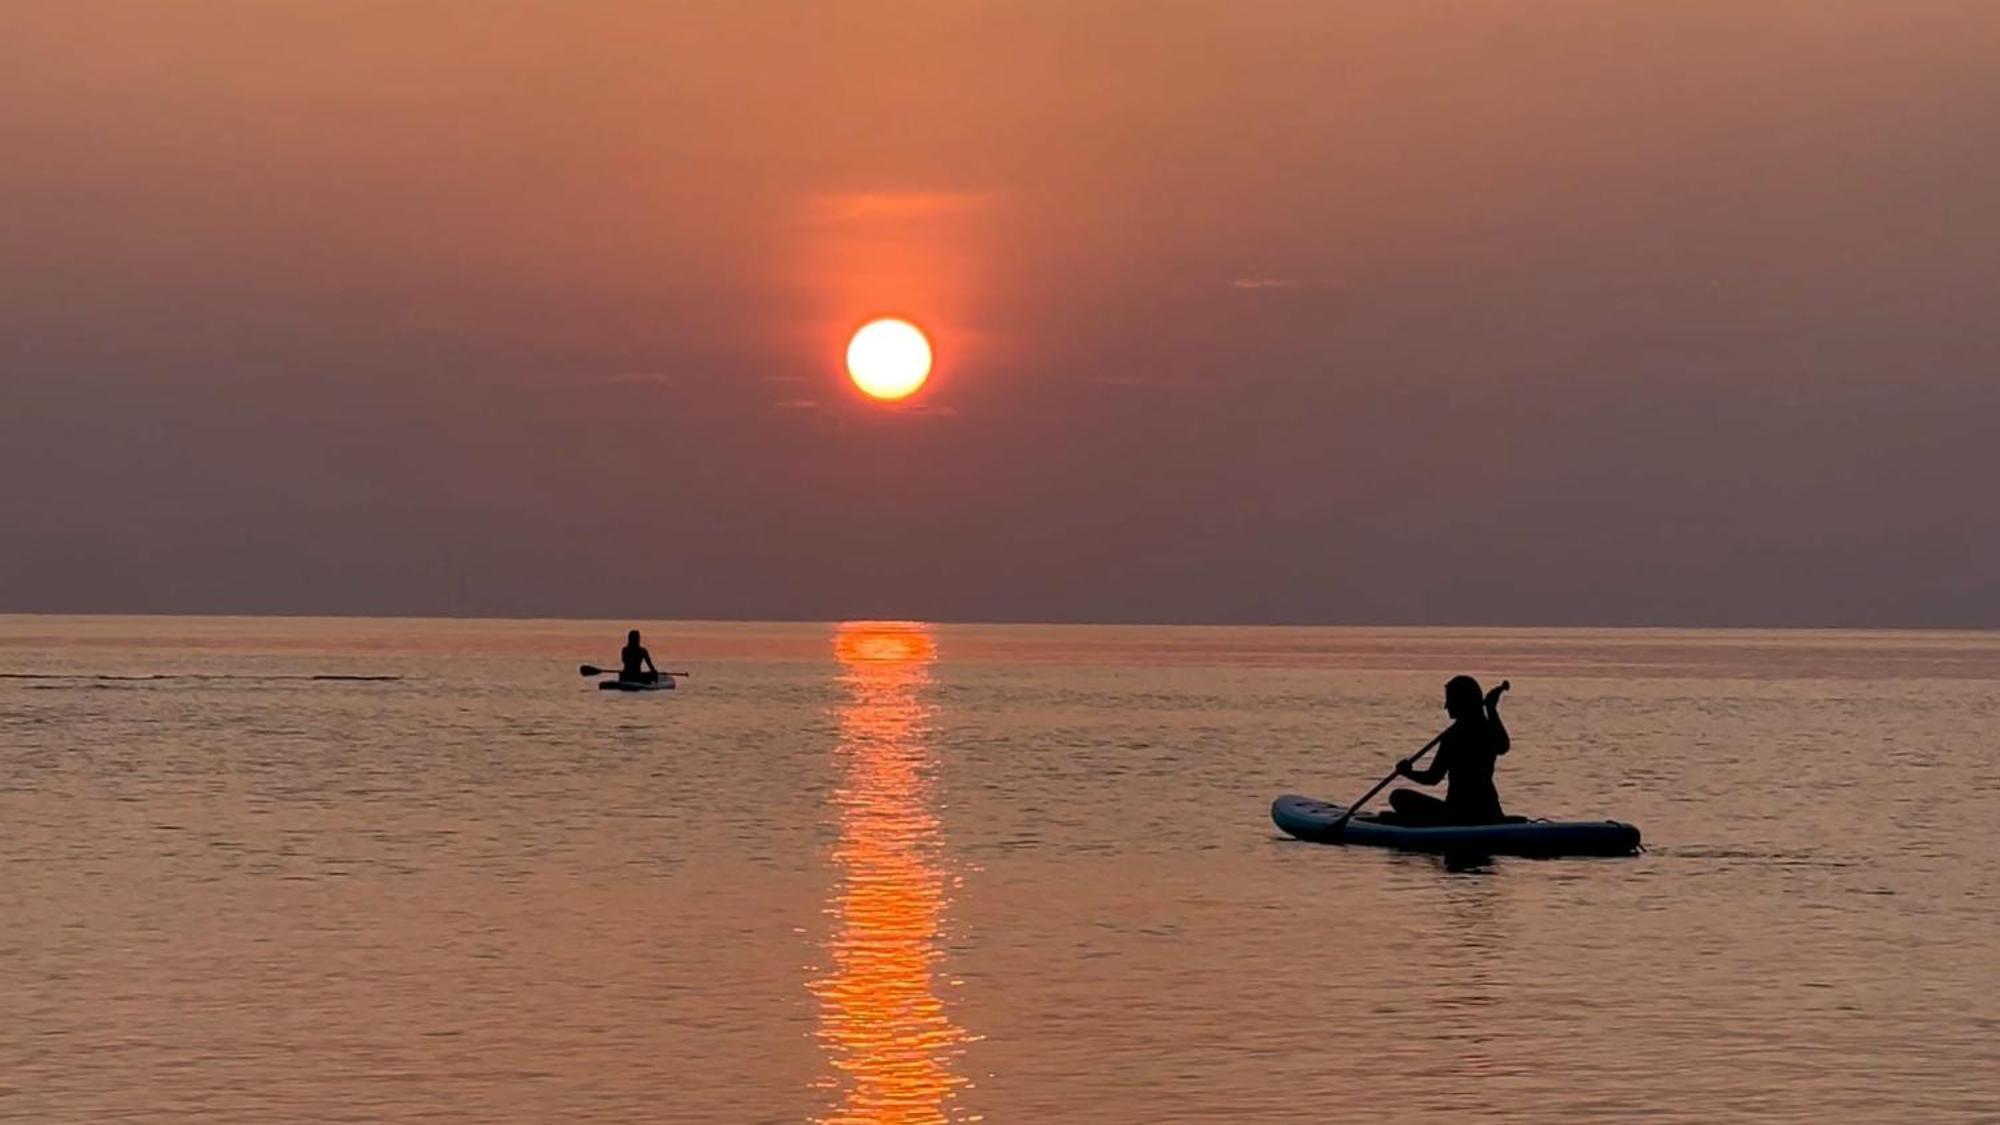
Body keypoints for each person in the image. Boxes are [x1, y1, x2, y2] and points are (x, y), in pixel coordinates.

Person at [1387, 675, 1511, 826]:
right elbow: (1503, 746)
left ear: (1462, 702)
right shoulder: (1487, 728)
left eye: (1450, 700)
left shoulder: (1453, 737)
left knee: (1398, 796)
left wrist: (1406, 772)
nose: (1446, 706)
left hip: (1457, 814)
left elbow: (1432, 778)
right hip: (1489, 812)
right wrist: (1492, 711)